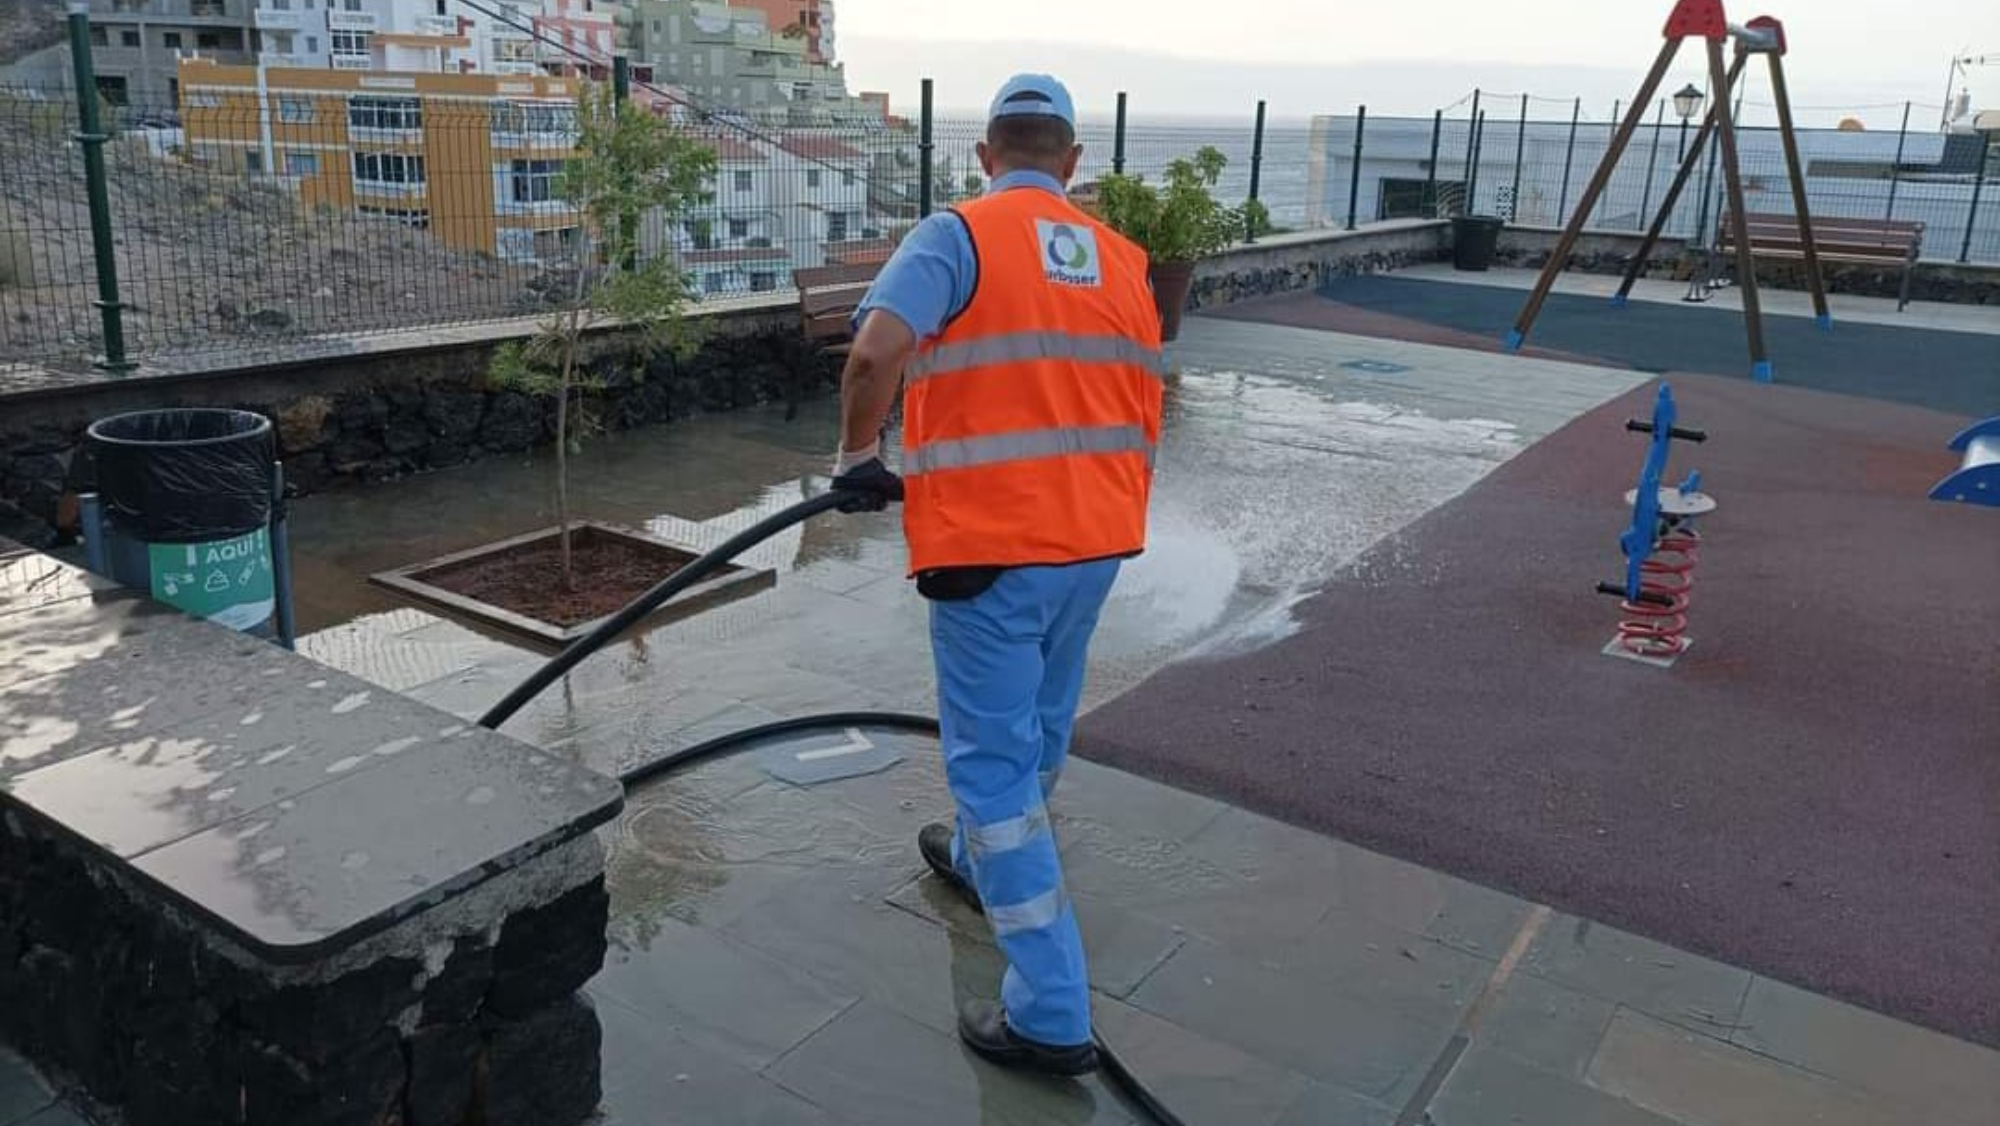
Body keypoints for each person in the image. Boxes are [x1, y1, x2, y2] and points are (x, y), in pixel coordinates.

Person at [828, 73, 1165, 1077]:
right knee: (1042, 723)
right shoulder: (1122, 260)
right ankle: (980, 863)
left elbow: (872, 353)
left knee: (990, 768)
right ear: (1070, 163)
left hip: (985, 552)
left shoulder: (957, 236)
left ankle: (1051, 1010)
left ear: (985, 157)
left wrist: (853, 457)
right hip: (1097, 542)